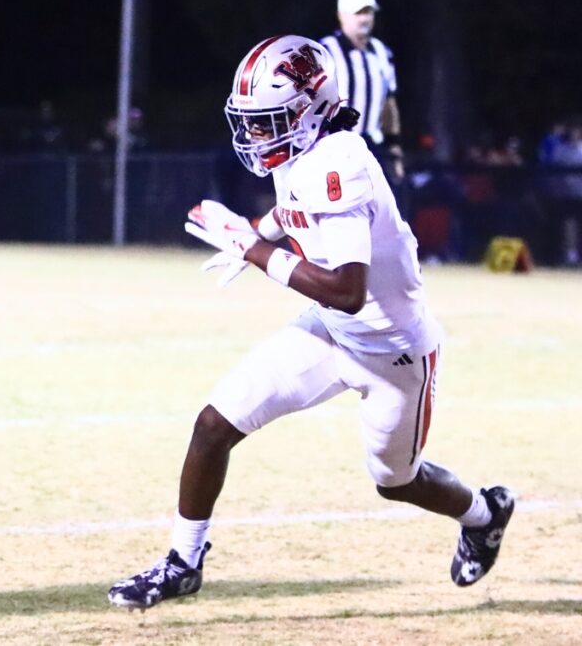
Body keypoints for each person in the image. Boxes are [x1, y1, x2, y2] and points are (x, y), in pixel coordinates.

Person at [107, 35, 513, 611]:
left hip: (392, 353)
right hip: (329, 331)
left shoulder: (339, 165)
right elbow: (292, 207)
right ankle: (182, 561)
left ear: (311, 109)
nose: (253, 135)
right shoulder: (307, 150)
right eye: (250, 121)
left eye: (268, 121)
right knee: (212, 425)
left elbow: (347, 291)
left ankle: (484, 512)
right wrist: (260, 230)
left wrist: (255, 250)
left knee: (396, 480)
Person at [320, 0, 404, 192]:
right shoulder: (325, 51)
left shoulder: (382, 53)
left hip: (373, 146)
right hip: (335, 147)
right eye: (358, 13)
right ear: (341, 16)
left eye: (368, 12)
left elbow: (388, 104)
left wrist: (394, 146)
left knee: (388, 210)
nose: (364, 19)